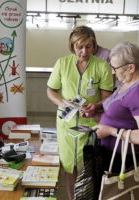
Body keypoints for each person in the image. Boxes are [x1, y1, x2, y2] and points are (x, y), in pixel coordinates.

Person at [46, 26, 114, 200]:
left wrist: (96, 105)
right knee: (70, 168)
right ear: (72, 46)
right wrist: (62, 102)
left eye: (89, 47)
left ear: (94, 46)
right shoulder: (62, 63)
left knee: (89, 168)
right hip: (66, 124)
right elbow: (51, 91)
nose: (84, 52)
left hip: (91, 125)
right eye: (79, 47)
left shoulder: (102, 66)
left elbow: (108, 98)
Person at [89, 41, 139, 176]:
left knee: (113, 193)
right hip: (109, 150)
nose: (112, 72)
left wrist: (110, 131)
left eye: (115, 68)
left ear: (131, 67)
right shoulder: (125, 83)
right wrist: (95, 114)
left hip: (121, 155)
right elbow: (120, 117)